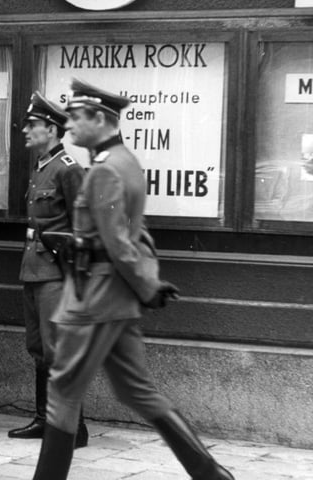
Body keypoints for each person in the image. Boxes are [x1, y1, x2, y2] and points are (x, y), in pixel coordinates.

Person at [31, 78, 234, 480]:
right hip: (117, 297)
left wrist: (148, 286)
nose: (68, 126)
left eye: (75, 118)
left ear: (99, 118)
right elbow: (137, 235)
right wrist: (146, 283)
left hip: (94, 298)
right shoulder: (126, 161)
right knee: (137, 390)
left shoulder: (105, 171)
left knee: (62, 391)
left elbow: (118, 242)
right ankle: (212, 476)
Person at [7, 92, 88, 447]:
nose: (25, 130)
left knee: (59, 351)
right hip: (35, 269)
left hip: (56, 272)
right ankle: (45, 419)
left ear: (52, 129)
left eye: (33, 125)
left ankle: (72, 429)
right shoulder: (42, 167)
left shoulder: (68, 169)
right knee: (39, 347)